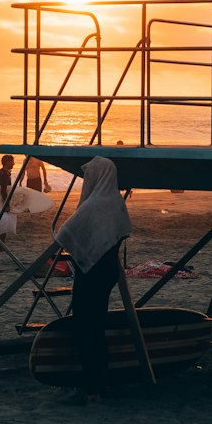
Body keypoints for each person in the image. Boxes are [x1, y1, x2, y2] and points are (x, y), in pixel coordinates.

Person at [54, 156, 131, 405]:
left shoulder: (94, 205)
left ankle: (91, 388)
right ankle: (101, 384)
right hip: (108, 271)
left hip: (91, 274)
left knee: (85, 327)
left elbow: (65, 233)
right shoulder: (116, 202)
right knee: (98, 326)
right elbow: (120, 233)